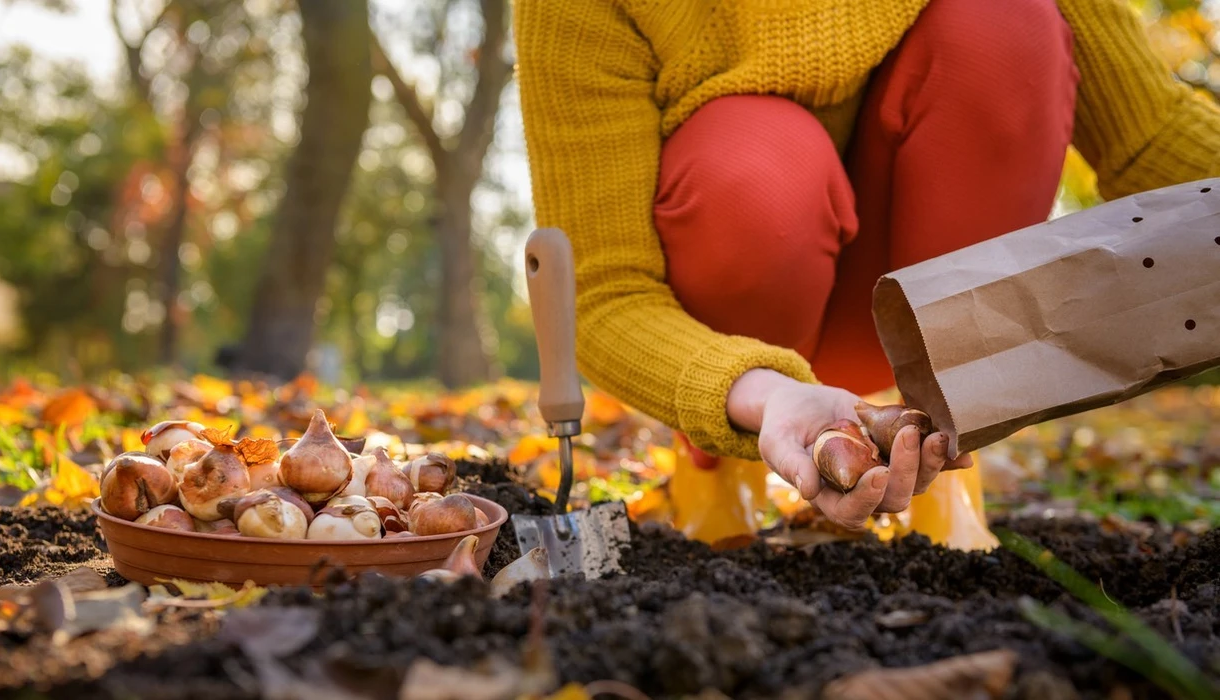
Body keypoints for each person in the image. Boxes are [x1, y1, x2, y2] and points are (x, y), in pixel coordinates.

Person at [513, 0, 1220, 546]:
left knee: (1005, 27)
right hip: (737, 318)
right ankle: (719, 466)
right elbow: (606, 294)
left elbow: (1147, 135)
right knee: (756, 161)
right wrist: (752, 393)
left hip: (915, 303)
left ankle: (941, 449)